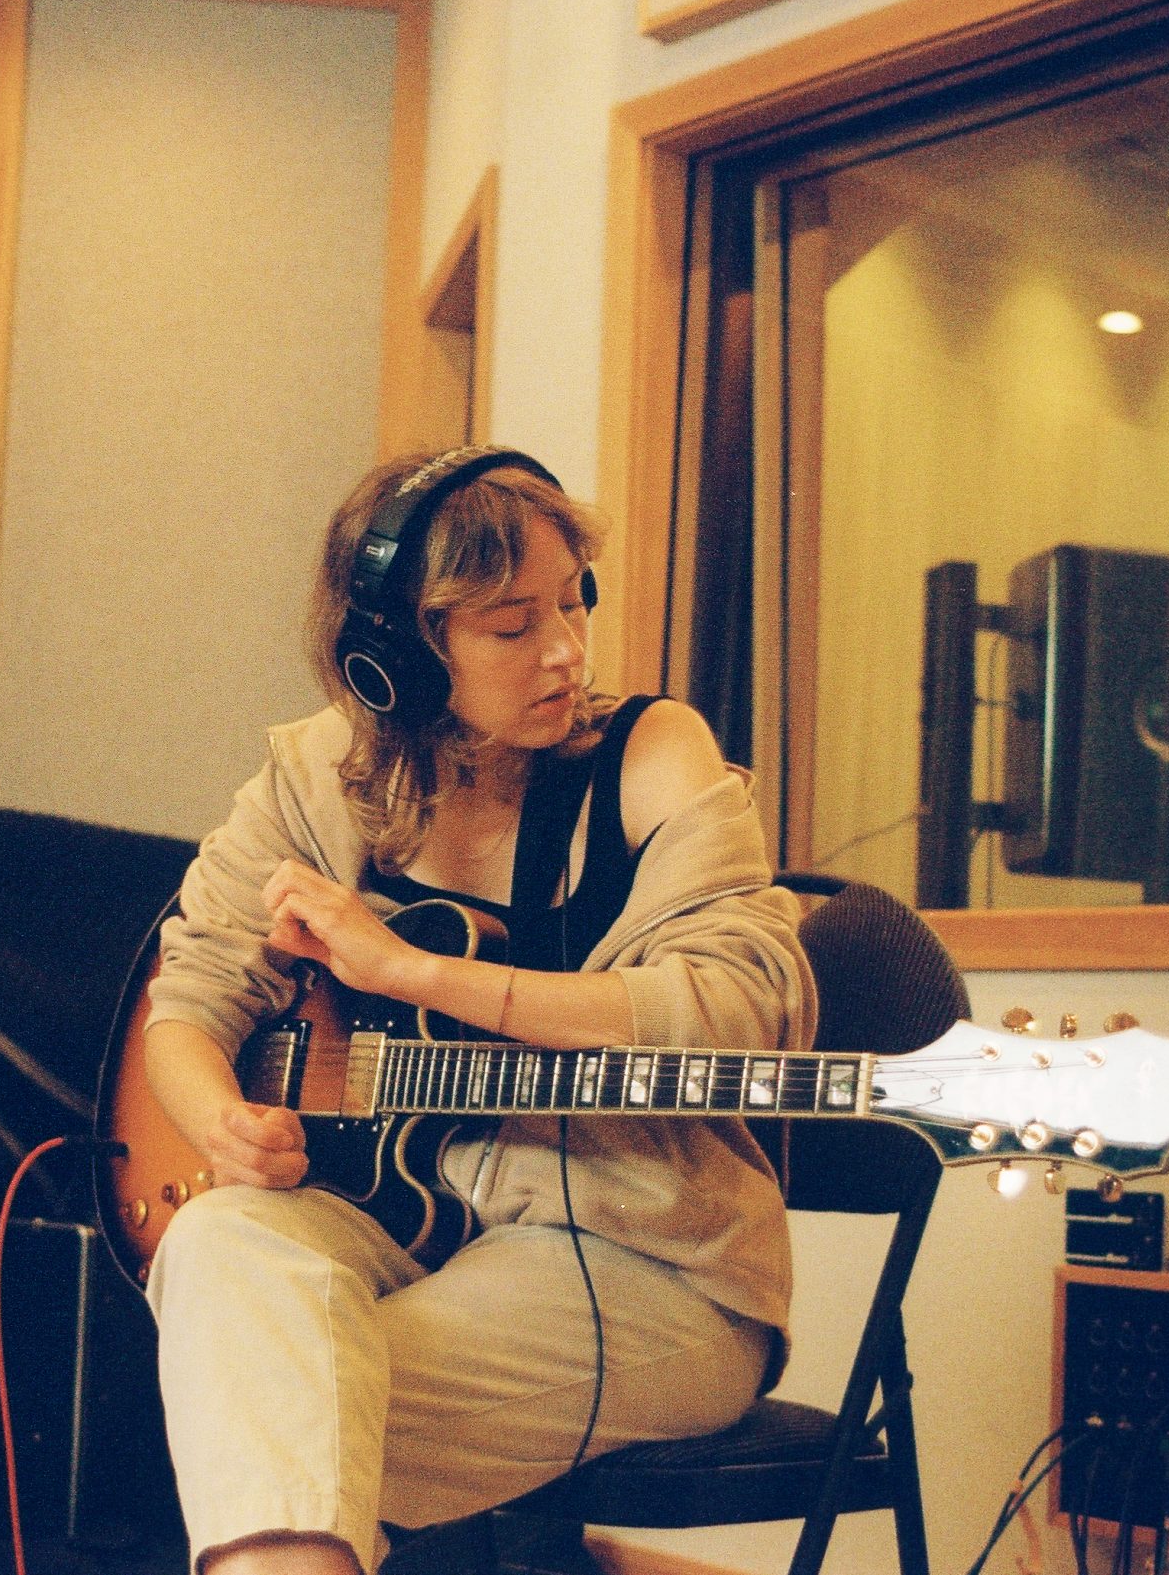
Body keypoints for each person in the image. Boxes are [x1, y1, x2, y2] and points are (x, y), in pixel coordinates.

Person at [138, 447, 815, 1575]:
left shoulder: (653, 754)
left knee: (266, 1406)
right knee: (219, 1238)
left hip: (650, 1260)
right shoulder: (316, 776)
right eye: (511, 626)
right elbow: (190, 994)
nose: (564, 649)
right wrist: (217, 1118)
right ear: (396, 654)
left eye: (570, 601)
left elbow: (748, 1001)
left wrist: (414, 971)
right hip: (411, 1232)